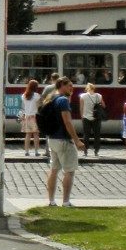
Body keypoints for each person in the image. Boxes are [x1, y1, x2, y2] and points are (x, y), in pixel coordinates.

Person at [44, 77, 85, 207]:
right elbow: (67, 122)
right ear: (61, 85)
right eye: (69, 86)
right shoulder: (62, 101)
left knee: (54, 170)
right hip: (64, 140)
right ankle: (66, 202)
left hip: (52, 139)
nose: (72, 88)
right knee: (69, 171)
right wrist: (77, 140)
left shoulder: (52, 98)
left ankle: (51, 201)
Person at [78, 82, 104, 157]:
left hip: (86, 117)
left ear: (87, 88)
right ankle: (96, 151)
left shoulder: (82, 96)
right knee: (97, 135)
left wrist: (81, 117)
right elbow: (103, 105)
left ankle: (85, 151)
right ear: (93, 88)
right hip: (96, 118)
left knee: (86, 135)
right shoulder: (99, 96)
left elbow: (81, 107)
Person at [20, 79, 41, 156]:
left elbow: (22, 107)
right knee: (36, 135)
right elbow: (39, 107)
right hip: (35, 116)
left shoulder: (24, 95)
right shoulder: (37, 96)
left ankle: (26, 152)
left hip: (27, 116)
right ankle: (36, 152)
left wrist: (21, 117)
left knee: (28, 135)